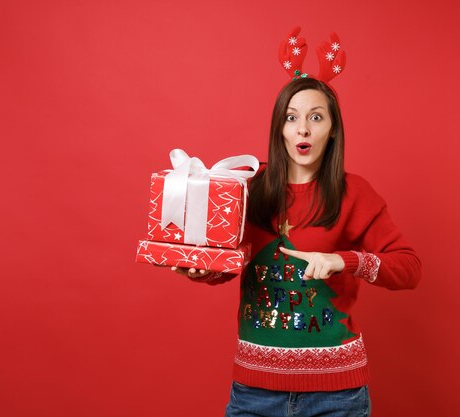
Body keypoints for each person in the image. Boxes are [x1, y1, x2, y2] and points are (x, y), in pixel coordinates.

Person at [173, 29, 421, 417]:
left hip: (337, 396)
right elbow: (227, 262)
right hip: (255, 391)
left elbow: (409, 268)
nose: (303, 129)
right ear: (280, 129)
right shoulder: (248, 188)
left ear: (333, 128)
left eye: (315, 117)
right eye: (292, 118)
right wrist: (199, 269)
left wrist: (345, 261)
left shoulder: (355, 193)